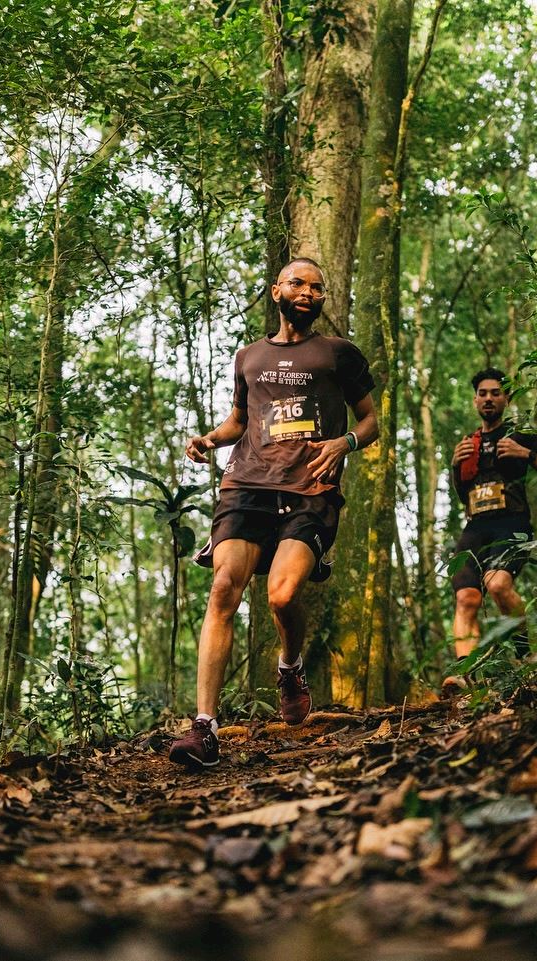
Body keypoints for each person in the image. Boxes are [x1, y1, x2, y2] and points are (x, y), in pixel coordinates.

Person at [169, 257, 378, 770]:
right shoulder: (250, 357)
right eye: (298, 284)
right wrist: (208, 439)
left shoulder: (339, 354)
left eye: (317, 287)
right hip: (246, 486)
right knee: (223, 589)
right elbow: (240, 420)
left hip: (310, 489)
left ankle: (290, 666)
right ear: (276, 291)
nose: (309, 292)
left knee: (282, 596)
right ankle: (205, 729)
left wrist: (345, 442)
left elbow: (371, 421)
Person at [447, 367, 537, 661]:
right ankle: (464, 675)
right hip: (475, 527)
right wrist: (454, 466)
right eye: (482, 394)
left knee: (497, 584)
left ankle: (525, 656)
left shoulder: (521, 436)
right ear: (475, 401)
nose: (488, 399)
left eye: (495, 393)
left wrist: (526, 454)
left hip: (511, 523)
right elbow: (463, 496)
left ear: (506, 398)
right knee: (466, 598)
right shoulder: (466, 444)